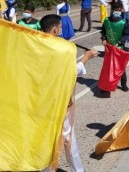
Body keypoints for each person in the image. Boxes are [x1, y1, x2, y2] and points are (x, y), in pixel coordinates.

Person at [40, 15, 98, 172]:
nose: (61, 30)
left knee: (46, 138)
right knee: (69, 139)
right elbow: (70, 72)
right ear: (54, 29)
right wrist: (86, 58)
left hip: (40, 101)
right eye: (60, 27)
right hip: (59, 102)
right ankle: (77, 170)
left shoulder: (35, 46)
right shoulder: (60, 49)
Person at [100, 3, 129, 93]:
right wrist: (104, 39)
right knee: (108, 67)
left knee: (120, 67)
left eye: (120, 10)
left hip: (118, 47)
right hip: (108, 47)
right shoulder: (106, 21)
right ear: (112, 10)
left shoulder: (123, 22)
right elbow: (103, 31)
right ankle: (105, 86)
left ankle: (123, 84)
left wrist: (119, 42)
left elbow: (126, 35)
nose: (118, 12)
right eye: (116, 10)